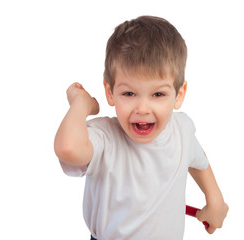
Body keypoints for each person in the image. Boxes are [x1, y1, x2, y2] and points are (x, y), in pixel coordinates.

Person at [54, 15, 228, 240]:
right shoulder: (105, 138)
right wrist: (81, 104)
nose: (143, 108)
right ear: (110, 92)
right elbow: (68, 148)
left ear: (179, 95)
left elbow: (197, 158)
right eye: (129, 93)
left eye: (158, 94)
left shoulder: (182, 130)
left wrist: (214, 198)